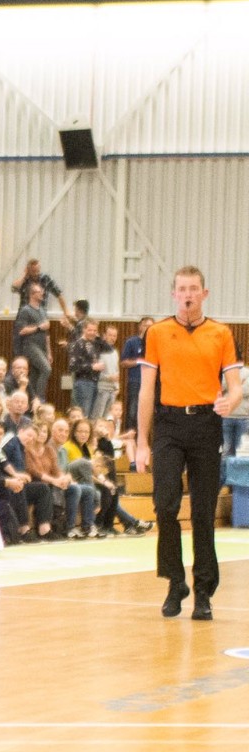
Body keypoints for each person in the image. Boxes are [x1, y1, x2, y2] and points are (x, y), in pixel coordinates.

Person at [133, 267, 240, 622]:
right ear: (174, 294)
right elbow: (145, 390)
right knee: (165, 506)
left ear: (204, 294)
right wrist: (141, 442)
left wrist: (231, 400)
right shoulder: (157, 333)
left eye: (194, 289)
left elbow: (235, 386)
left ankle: (204, 591)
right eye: (182, 289)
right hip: (168, 424)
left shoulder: (221, 333)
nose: (188, 294)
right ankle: (175, 581)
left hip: (206, 425)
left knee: (203, 512)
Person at [14, 281, 51, 402]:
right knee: (46, 369)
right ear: (32, 294)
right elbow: (22, 331)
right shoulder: (25, 310)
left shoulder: (42, 310)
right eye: (39, 292)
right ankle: (40, 399)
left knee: (35, 375)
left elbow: (47, 334)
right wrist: (39, 327)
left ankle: (32, 400)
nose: (42, 294)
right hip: (30, 346)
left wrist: (49, 352)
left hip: (42, 346)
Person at [120, 316, 154, 433]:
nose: (148, 328)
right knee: (132, 411)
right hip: (135, 381)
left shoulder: (154, 343)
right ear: (140, 327)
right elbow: (123, 362)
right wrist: (138, 361)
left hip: (150, 384)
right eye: (145, 325)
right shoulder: (131, 342)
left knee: (147, 413)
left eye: (150, 326)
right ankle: (130, 437)